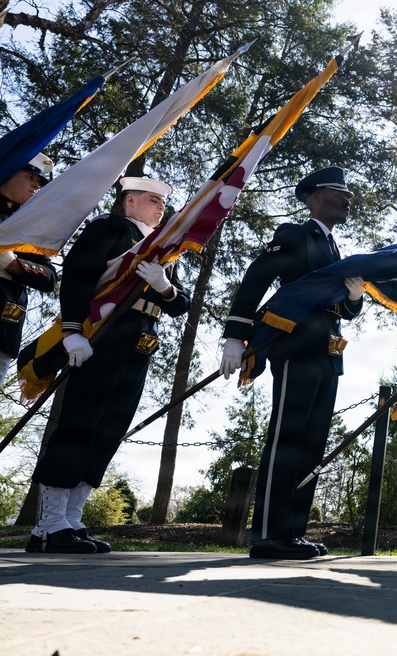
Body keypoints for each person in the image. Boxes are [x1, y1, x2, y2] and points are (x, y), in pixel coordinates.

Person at [27, 176, 191, 554]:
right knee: (80, 425)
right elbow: (79, 277)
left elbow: (179, 304)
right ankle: (49, 526)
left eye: (163, 201)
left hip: (139, 346)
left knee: (108, 430)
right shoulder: (110, 228)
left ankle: (71, 520)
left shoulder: (165, 247)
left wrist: (165, 287)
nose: (160, 206)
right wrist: (72, 332)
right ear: (129, 200)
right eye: (152, 199)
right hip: (102, 337)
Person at [219, 166, 364, 560]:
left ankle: (292, 532)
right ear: (315, 198)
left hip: (327, 353)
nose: (347, 199)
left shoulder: (334, 248)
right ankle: (268, 534)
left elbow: (342, 310)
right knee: (287, 440)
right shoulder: (295, 235)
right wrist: (236, 335)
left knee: (311, 444)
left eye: (347, 194)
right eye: (338, 192)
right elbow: (256, 278)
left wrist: (354, 298)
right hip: (295, 348)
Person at [0, 153, 57, 384]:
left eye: (39, 180)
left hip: (5, 331)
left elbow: (50, 278)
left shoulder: (33, 226)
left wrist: (13, 264)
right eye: (29, 176)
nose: (36, 184)